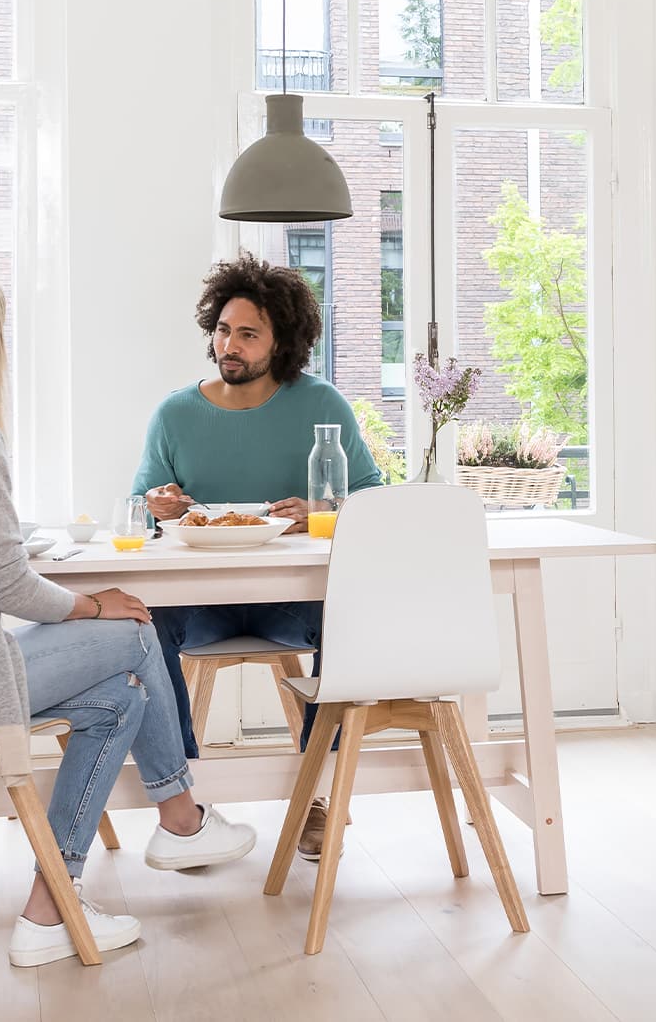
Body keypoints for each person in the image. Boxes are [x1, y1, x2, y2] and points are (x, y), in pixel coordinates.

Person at [0, 267, 255, 969]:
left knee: (119, 698)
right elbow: (7, 583)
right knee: (136, 630)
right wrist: (95, 604)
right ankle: (178, 820)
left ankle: (51, 907)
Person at [134, 251, 384, 860]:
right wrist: (158, 506)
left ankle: (318, 793)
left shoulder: (321, 407)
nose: (231, 345)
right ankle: (184, 803)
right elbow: (142, 504)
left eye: (248, 334)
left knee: (345, 623)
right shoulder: (174, 413)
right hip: (200, 603)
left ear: (282, 343)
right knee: (140, 629)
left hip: (290, 601)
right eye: (223, 330)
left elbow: (373, 497)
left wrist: (323, 512)